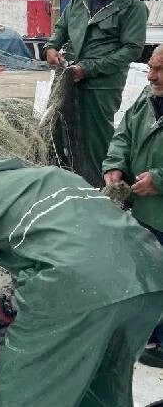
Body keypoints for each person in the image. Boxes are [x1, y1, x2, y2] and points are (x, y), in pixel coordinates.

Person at [0, 150, 163, 406]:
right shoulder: (53, 175)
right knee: (104, 380)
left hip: (77, 285)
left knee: (28, 381)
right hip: (149, 272)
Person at [43, 0, 147, 187]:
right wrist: (51, 47)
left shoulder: (132, 5)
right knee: (56, 133)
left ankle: (99, 192)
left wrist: (88, 69)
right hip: (66, 79)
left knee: (94, 141)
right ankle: (59, 187)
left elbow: (132, 49)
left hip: (100, 86)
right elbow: (61, 28)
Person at [103, 43, 163, 368]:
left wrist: (160, 179)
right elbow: (123, 133)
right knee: (145, 271)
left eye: (159, 70)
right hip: (144, 211)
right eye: (151, 67)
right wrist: (115, 166)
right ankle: (149, 330)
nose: (151, 76)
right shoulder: (147, 97)